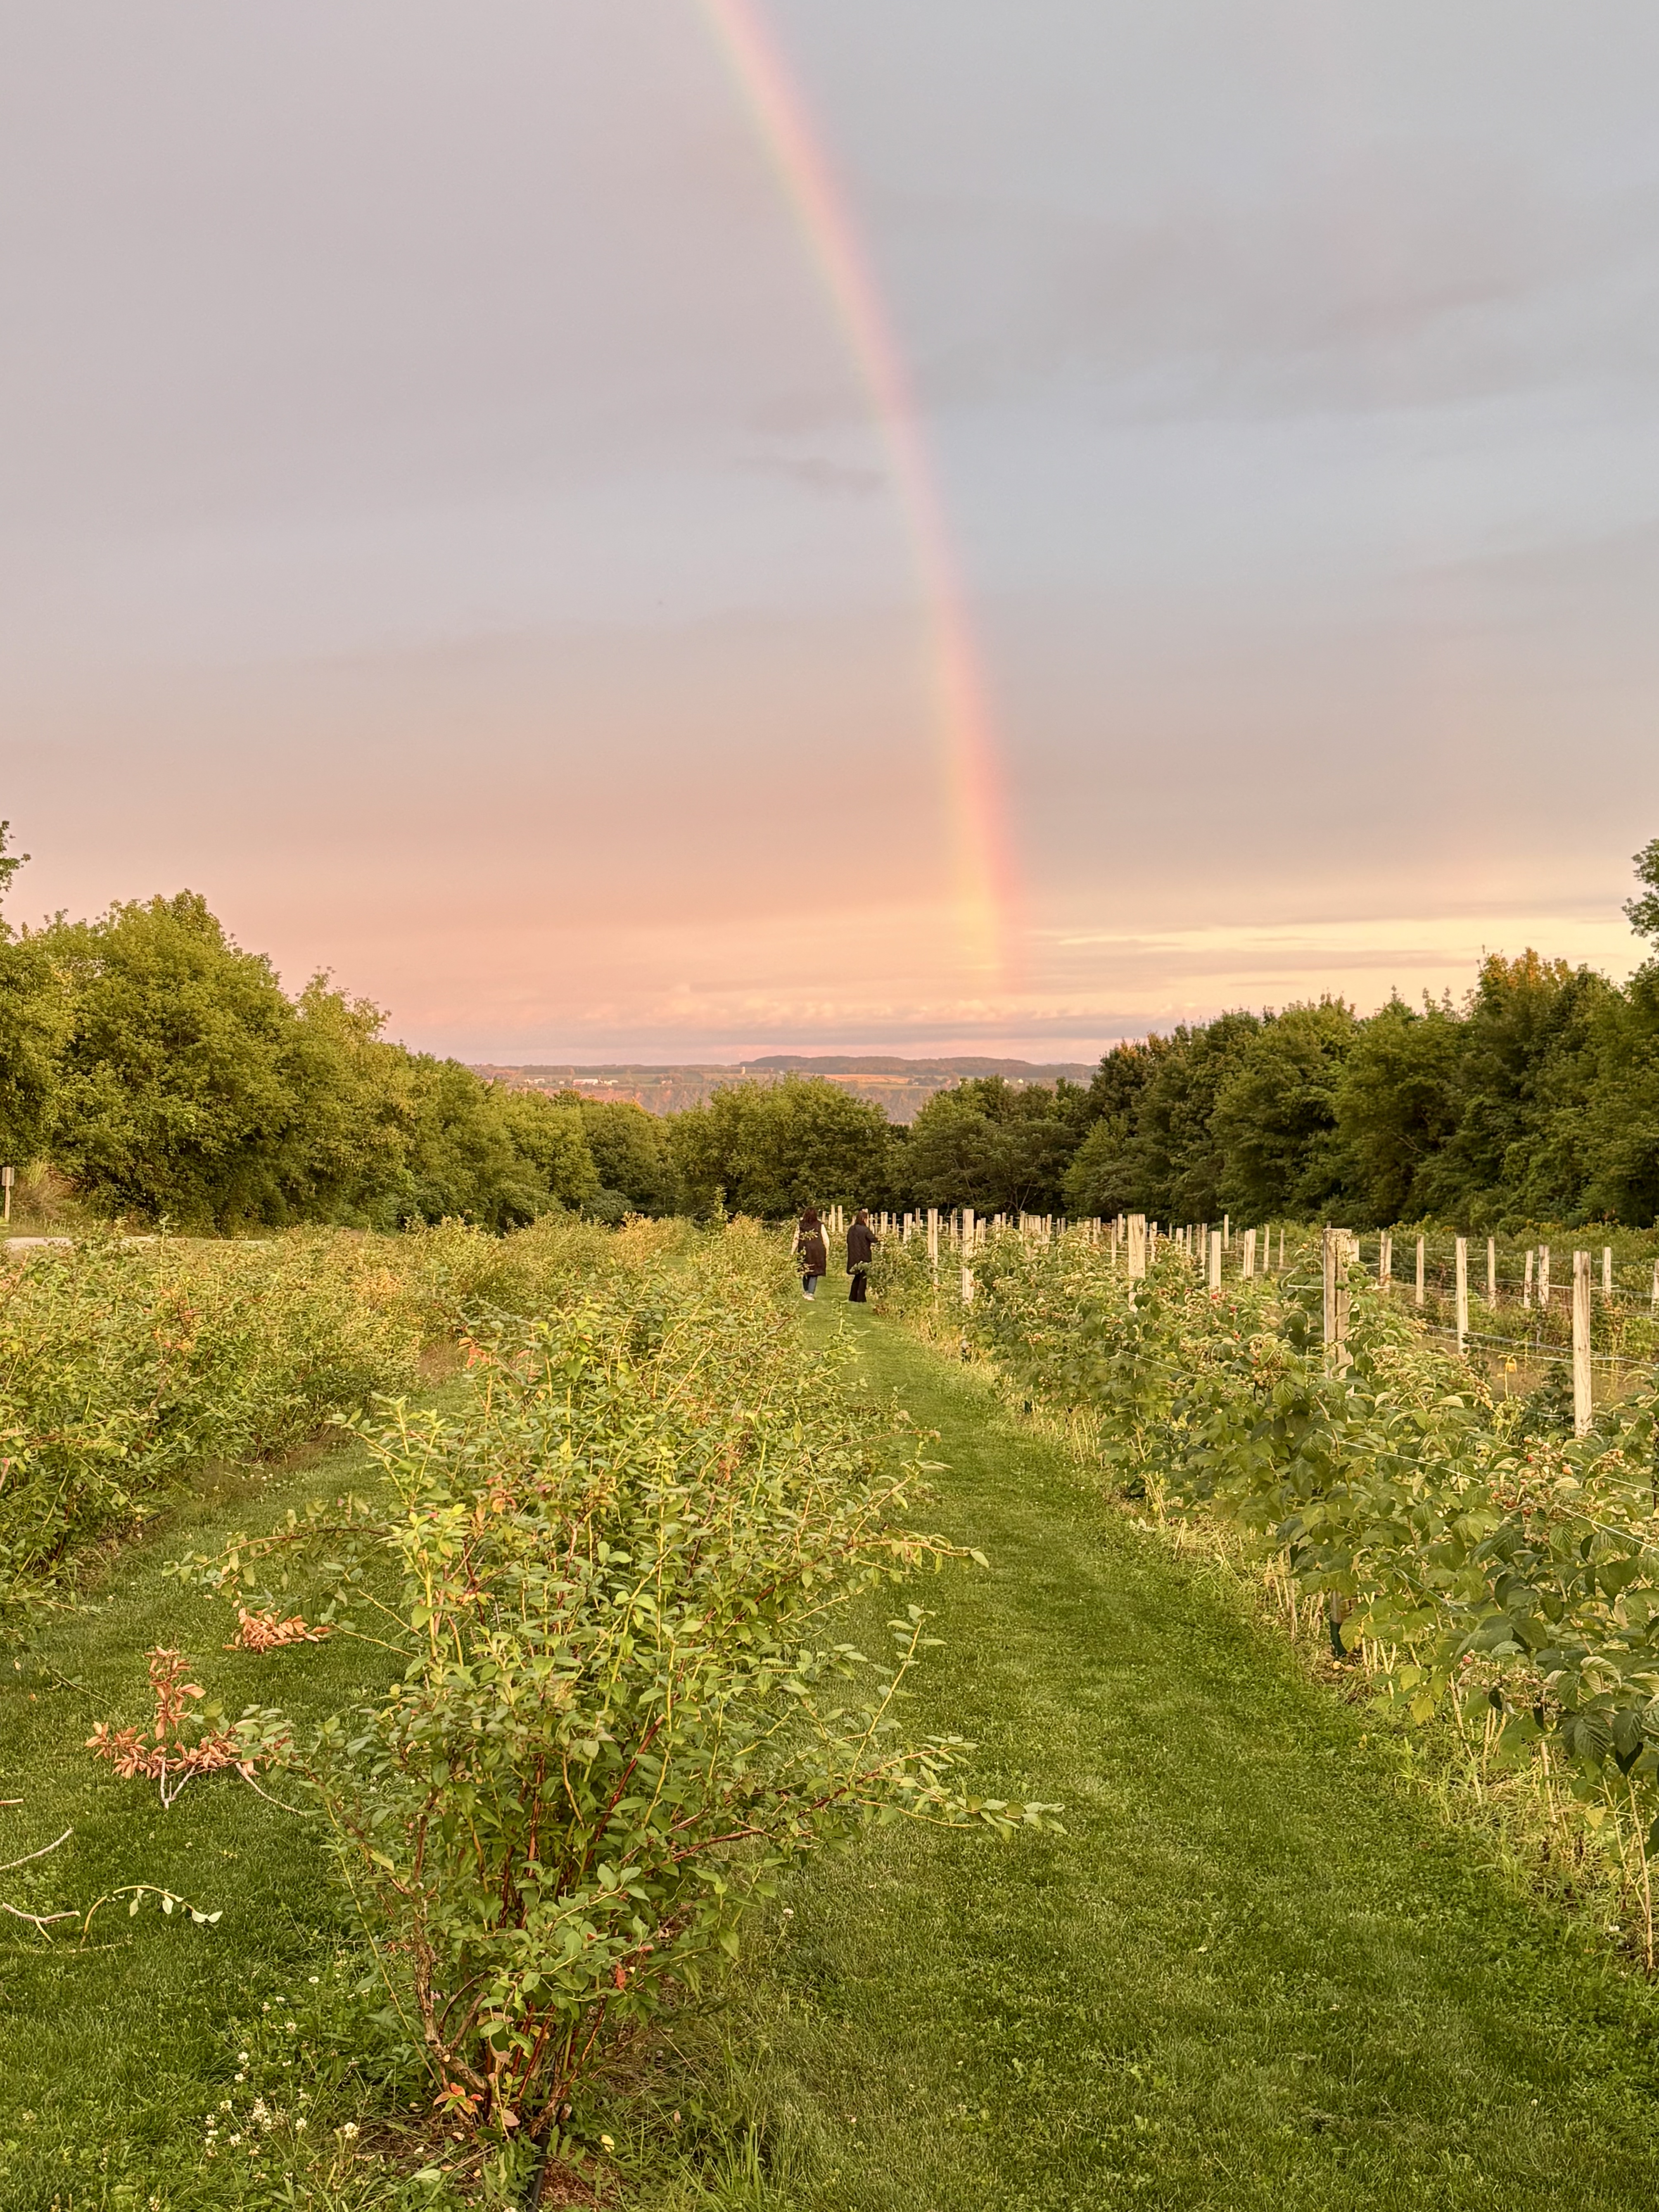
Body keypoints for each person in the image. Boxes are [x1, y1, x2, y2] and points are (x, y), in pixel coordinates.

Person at [846, 1208, 878, 1302]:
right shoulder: (865, 1230)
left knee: (857, 1277)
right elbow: (873, 1239)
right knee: (863, 1278)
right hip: (864, 1256)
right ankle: (861, 1298)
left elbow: (848, 1241)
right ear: (864, 1220)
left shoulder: (851, 1229)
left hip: (854, 1256)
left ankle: (853, 1297)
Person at [796, 1208, 828, 1298]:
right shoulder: (820, 1225)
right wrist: (827, 1250)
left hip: (804, 1250)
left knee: (805, 1271)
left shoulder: (801, 1225)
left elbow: (796, 1238)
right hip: (817, 1251)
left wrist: (792, 1251)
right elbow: (826, 1239)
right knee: (815, 1272)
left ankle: (806, 1291)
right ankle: (810, 1293)